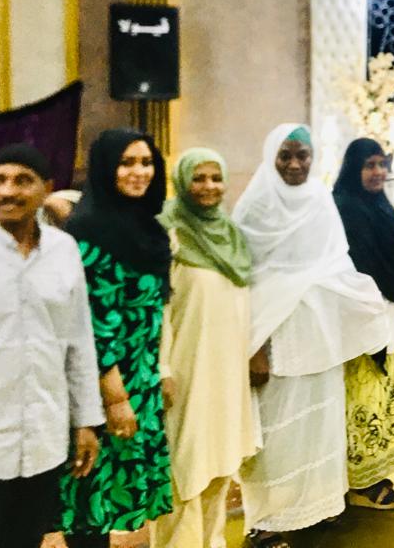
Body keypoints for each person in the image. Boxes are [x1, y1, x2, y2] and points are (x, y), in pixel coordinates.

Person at [235, 124, 394, 543]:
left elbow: (336, 265)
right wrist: (252, 347)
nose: (294, 164)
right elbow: (241, 282)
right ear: (271, 156)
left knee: (319, 425)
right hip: (272, 337)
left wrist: (366, 307)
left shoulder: (320, 202)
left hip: (318, 337)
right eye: (285, 155)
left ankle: (315, 506)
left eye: (302, 156)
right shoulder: (255, 207)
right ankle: (267, 520)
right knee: (277, 431)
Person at [0, 144, 102, 548]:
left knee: (27, 538)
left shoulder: (63, 250)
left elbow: (78, 340)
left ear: (47, 189)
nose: (8, 191)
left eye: (22, 180)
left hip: (43, 435)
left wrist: (86, 420)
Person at [58, 130, 174, 548]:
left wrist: (155, 374)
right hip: (102, 383)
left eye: (146, 162)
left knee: (107, 502)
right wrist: (114, 396)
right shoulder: (90, 228)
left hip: (137, 377)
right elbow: (88, 322)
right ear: (106, 168)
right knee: (90, 499)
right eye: (126, 162)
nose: (139, 172)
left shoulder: (145, 226)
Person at [151, 149, 258, 547]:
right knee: (184, 466)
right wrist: (162, 369)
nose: (208, 187)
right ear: (181, 181)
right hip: (185, 371)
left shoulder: (230, 235)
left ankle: (213, 541)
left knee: (220, 463)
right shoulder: (168, 232)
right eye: (198, 178)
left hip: (226, 372)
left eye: (215, 178)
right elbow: (159, 308)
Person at [332, 138, 394, 509]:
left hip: (388, 308)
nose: (378, 172)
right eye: (369, 165)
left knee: (383, 395)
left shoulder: (380, 204)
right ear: (354, 169)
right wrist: (369, 309)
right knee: (361, 397)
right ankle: (359, 481)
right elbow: (353, 265)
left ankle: (373, 474)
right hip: (360, 315)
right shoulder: (344, 206)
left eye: (382, 164)